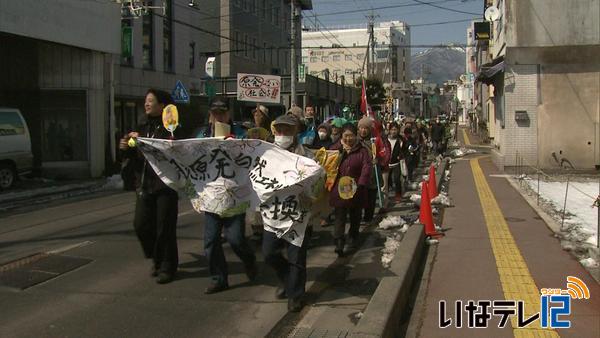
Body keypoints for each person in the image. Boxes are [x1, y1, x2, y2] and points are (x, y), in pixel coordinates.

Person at [119, 89, 182, 284]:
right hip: (144, 184)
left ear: (162, 105)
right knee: (141, 225)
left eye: (151, 101)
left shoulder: (171, 128)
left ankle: (167, 266)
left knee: (165, 227)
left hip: (165, 186)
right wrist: (125, 147)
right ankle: (156, 256)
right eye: (145, 101)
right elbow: (132, 154)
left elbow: (175, 152)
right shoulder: (141, 126)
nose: (147, 104)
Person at [195, 98, 257, 294]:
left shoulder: (239, 133)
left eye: (222, 112)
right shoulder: (203, 134)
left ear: (229, 114)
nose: (218, 116)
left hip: (234, 195)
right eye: (215, 113)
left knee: (236, 238)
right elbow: (190, 154)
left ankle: (249, 259)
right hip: (212, 196)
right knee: (211, 241)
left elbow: (252, 154)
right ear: (210, 115)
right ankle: (219, 278)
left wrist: (236, 145)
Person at [263, 114, 311, 312]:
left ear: (296, 132)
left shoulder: (307, 155)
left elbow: (315, 182)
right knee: (268, 254)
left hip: (298, 214)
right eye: (279, 130)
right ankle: (287, 280)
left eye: (288, 130)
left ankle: (295, 295)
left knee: (296, 258)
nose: (283, 134)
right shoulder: (266, 153)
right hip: (273, 213)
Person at [329, 123, 372, 256]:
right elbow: (328, 163)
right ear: (342, 136)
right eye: (346, 136)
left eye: (351, 136)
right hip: (339, 188)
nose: (349, 139)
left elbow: (367, 167)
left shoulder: (363, 150)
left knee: (355, 215)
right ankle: (339, 241)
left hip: (356, 188)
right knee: (340, 216)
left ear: (356, 136)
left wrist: (361, 183)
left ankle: (353, 237)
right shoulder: (335, 149)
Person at [387, 122, 404, 202]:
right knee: (387, 180)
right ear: (389, 130)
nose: (393, 131)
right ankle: (387, 195)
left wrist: (401, 155)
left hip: (396, 162)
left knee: (397, 179)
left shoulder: (400, 140)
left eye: (395, 129)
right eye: (392, 129)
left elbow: (404, 149)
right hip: (387, 163)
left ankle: (398, 195)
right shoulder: (385, 139)